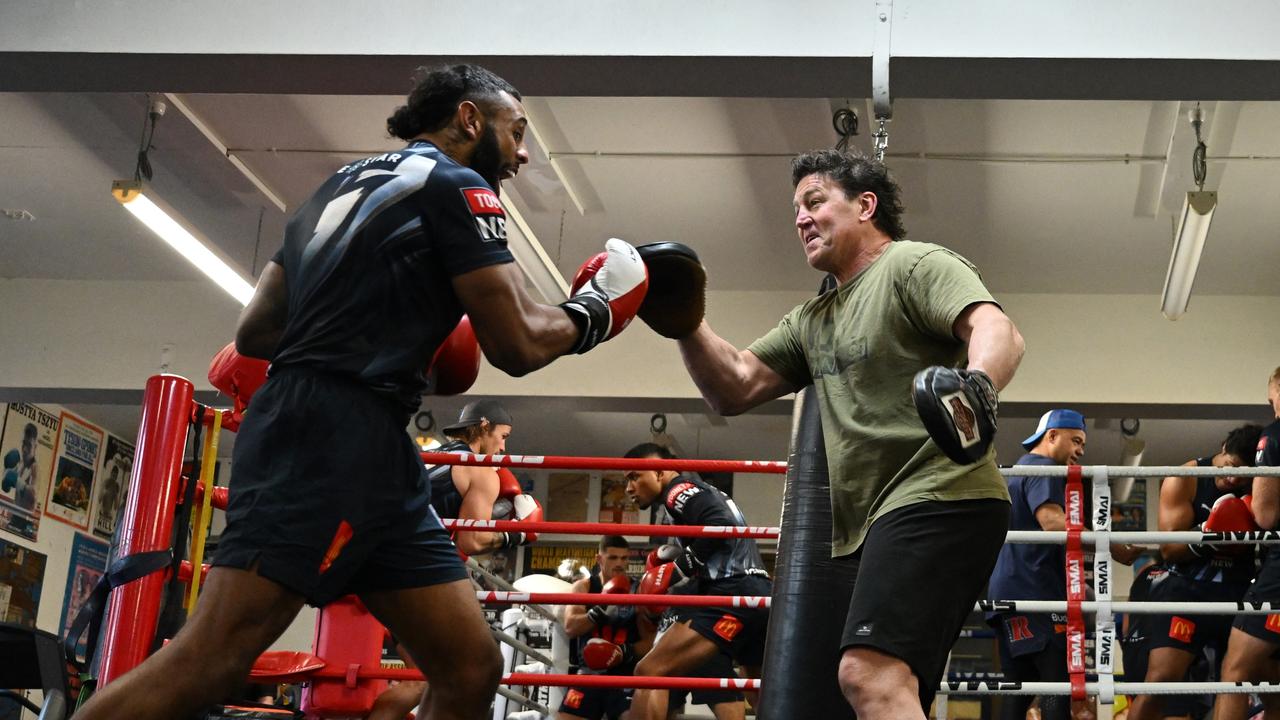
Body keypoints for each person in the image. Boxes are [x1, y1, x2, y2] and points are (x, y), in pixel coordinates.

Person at [74, 63, 648, 720]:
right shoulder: (458, 186)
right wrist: (599, 312)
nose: (521, 155)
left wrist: (388, 320)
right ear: (468, 118)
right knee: (213, 659)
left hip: (371, 448)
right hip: (327, 440)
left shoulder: (337, 187)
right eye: (516, 132)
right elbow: (517, 344)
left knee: (469, 665)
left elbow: (258, 329)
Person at [655, 149, 1023, 719]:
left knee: (866, 674)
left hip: (941, 494)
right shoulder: (812, 319)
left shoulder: (914, 264)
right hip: (881, 520)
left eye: (814, 201)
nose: (800, 218)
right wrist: (686, 325)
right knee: (895, 688)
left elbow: (996, 328)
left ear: (865, 206)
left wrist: (977, 388)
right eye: (796, 208)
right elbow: (733, 386)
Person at [988, 410, 1142, 720]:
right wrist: (1111, 546)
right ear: (1052, 436)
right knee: (1057, 683)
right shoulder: (1044, 468)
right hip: (1036, 593)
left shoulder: (1019, 468)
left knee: (1018, 688)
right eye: (1076, 440)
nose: (1081, 450)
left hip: (1008, 592)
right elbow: (1053, 522)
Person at [1128, 425, 1263, 720]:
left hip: (1238, 593)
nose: (1234, 478)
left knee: (1243, 684)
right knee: (1159, 683)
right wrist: (1209, 534)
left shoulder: (1258, 485)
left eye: (1245, 473)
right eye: (1232, 467)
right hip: (1187, 591)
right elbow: (1169, 549)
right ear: (1224, 448)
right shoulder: (1186, 477)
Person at [623, 443, 766, 720]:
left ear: (660, 472)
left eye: (634, 476)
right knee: (760, 692)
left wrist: (676, 570)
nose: (629, 487)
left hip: (731, 592)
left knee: (649, 671)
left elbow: (720, 524)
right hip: (758, 593)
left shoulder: (678, 490)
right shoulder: (700, 490)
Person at [1214, 367, 1280, 720]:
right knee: (1273, 679)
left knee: (1235, 672)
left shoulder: (1274, 436)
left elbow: (1267, 516)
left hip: (1279, 577)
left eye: (1273, 400)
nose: (1273, 409)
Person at [428, 399, 542, 557]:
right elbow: (472, 542)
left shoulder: (426, 455)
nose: (503, 447)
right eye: (503, 436)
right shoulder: (481, 471)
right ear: (485, 427)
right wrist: (517, 534)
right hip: (414, 557)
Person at [558, 535, 651, 720]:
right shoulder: (584, 587)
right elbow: (570, 627)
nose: (619, 563)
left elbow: (650, 641)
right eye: (613, 558)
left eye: (624, 558)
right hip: (589, 674)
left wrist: (623, 651)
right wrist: (600, 610)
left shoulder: (637, 590)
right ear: (599, 559)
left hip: (625, 676)